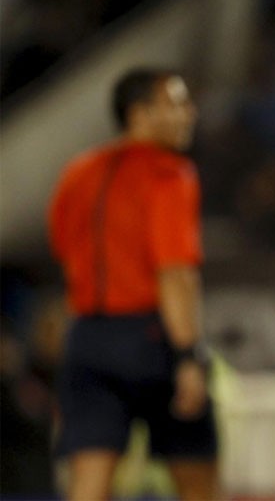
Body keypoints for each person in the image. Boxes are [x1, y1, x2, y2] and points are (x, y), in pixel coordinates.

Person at [47, 68, 219, 501]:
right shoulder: (169, 173)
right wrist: (187, 356)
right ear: (139, 113)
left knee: (88, 480)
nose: (189, 114)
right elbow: (175, 274)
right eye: (176, 103)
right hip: (152, 337)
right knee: (196, 479)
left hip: (87, 337)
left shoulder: (77, 172)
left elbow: (63, 246)